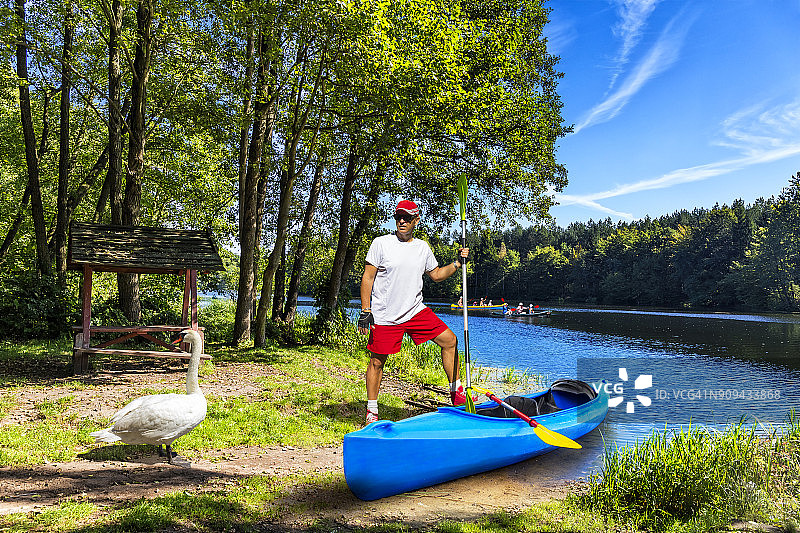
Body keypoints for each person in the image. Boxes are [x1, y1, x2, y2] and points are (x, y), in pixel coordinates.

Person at [358, 200, 471, 424]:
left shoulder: (422, 248)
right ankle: (372, 410)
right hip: (386, 315)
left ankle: (456, 393)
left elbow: (437, 274)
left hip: (415, 311)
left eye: (407, 217)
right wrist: (365, 310)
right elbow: (367, 278)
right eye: (398, 216)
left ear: (415, 220)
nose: (402, 221)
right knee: (377, 362)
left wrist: (458, 263)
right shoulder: (381, 244)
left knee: (450, 341)